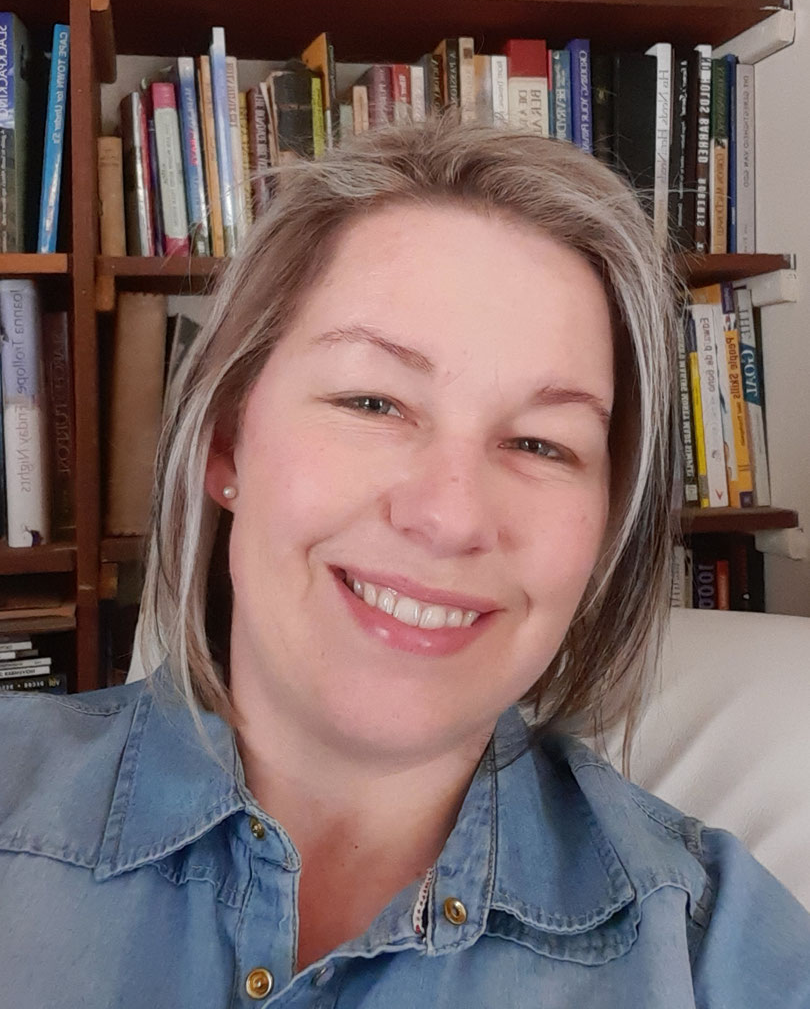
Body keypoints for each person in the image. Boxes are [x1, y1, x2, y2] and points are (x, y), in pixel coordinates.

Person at [1, 119, 809, 1007]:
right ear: (227, 443)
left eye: (541, 444)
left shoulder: (708, 952)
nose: (450, 517)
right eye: (374, 402)